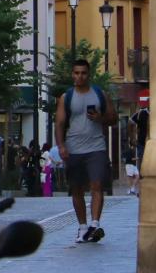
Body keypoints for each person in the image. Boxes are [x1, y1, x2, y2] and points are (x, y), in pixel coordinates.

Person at [55, 58, 115, 243]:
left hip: (96, 147)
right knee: (77, 189)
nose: (80, 76)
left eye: (83, 73)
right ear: (73, 74)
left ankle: (95, 225)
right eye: (77, 73)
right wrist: (61, 146)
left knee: (97, 185)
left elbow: (113, 118)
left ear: (89, 75)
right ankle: (82, 227)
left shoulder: (99, 94)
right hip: (74, 149)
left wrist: (101, 117)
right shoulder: (67, 97)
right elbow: (59, 123)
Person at [130, 98, 150, 196]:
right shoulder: (142, 113)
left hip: (152, 144)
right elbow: (131, 121)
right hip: (142, 144)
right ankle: (142, 189)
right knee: (142, 167)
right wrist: (132, 137)